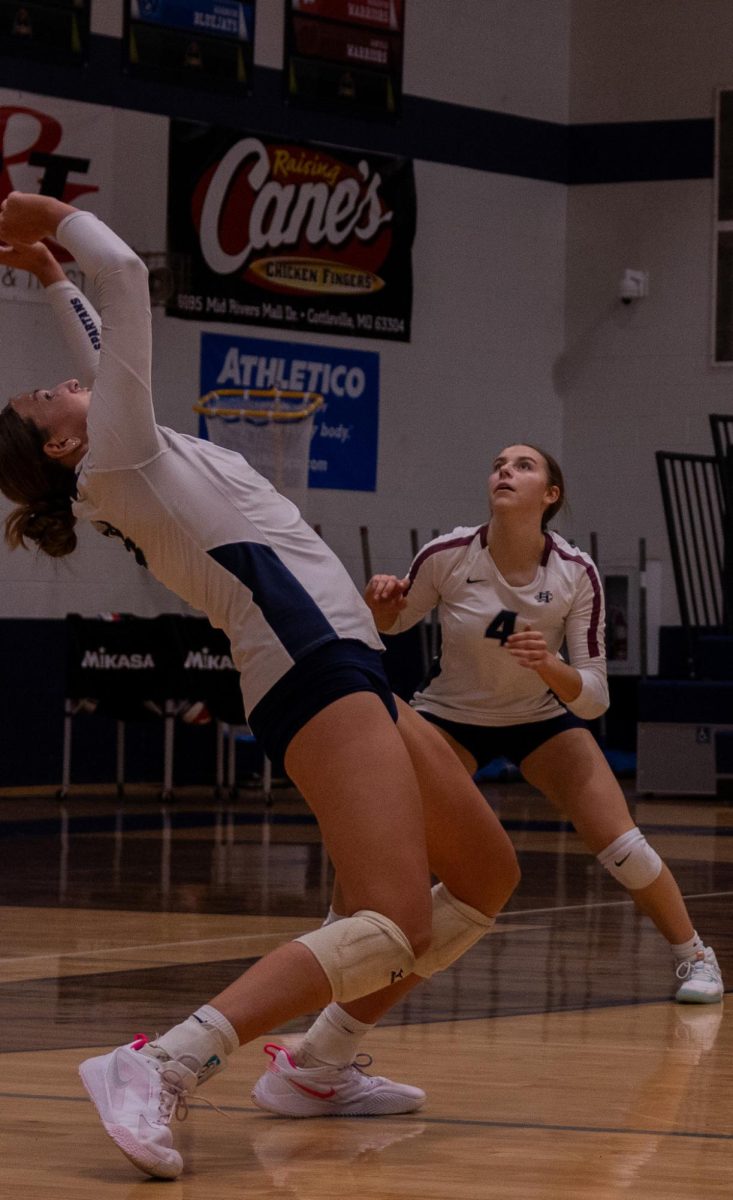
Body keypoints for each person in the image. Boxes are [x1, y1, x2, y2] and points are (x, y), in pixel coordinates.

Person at [0, 192, 520, 1179]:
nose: (62, 381)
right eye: (43, 397)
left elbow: (103, 328)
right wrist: (51, 216)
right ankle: (160, 1061)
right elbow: (130, 281)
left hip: (343, 658)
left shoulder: (120, 446)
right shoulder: (118, 454)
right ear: (65, 445)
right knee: (391, 918)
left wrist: (50, 277)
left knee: (486, 874)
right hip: (305, 664)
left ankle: (316, 1067)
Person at [255, 442, 724, 1113]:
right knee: (379, 840)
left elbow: (592, 697)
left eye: (523, 465)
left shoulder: (574, 573)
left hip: (542, 716)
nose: (504, 470)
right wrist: (380, 602)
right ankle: (336, 954)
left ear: (550, 495)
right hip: (449, 716)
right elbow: (381, 627)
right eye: (499, 463)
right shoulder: (447, 554)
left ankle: (694, 956)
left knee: (621, 845)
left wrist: (548, 667)